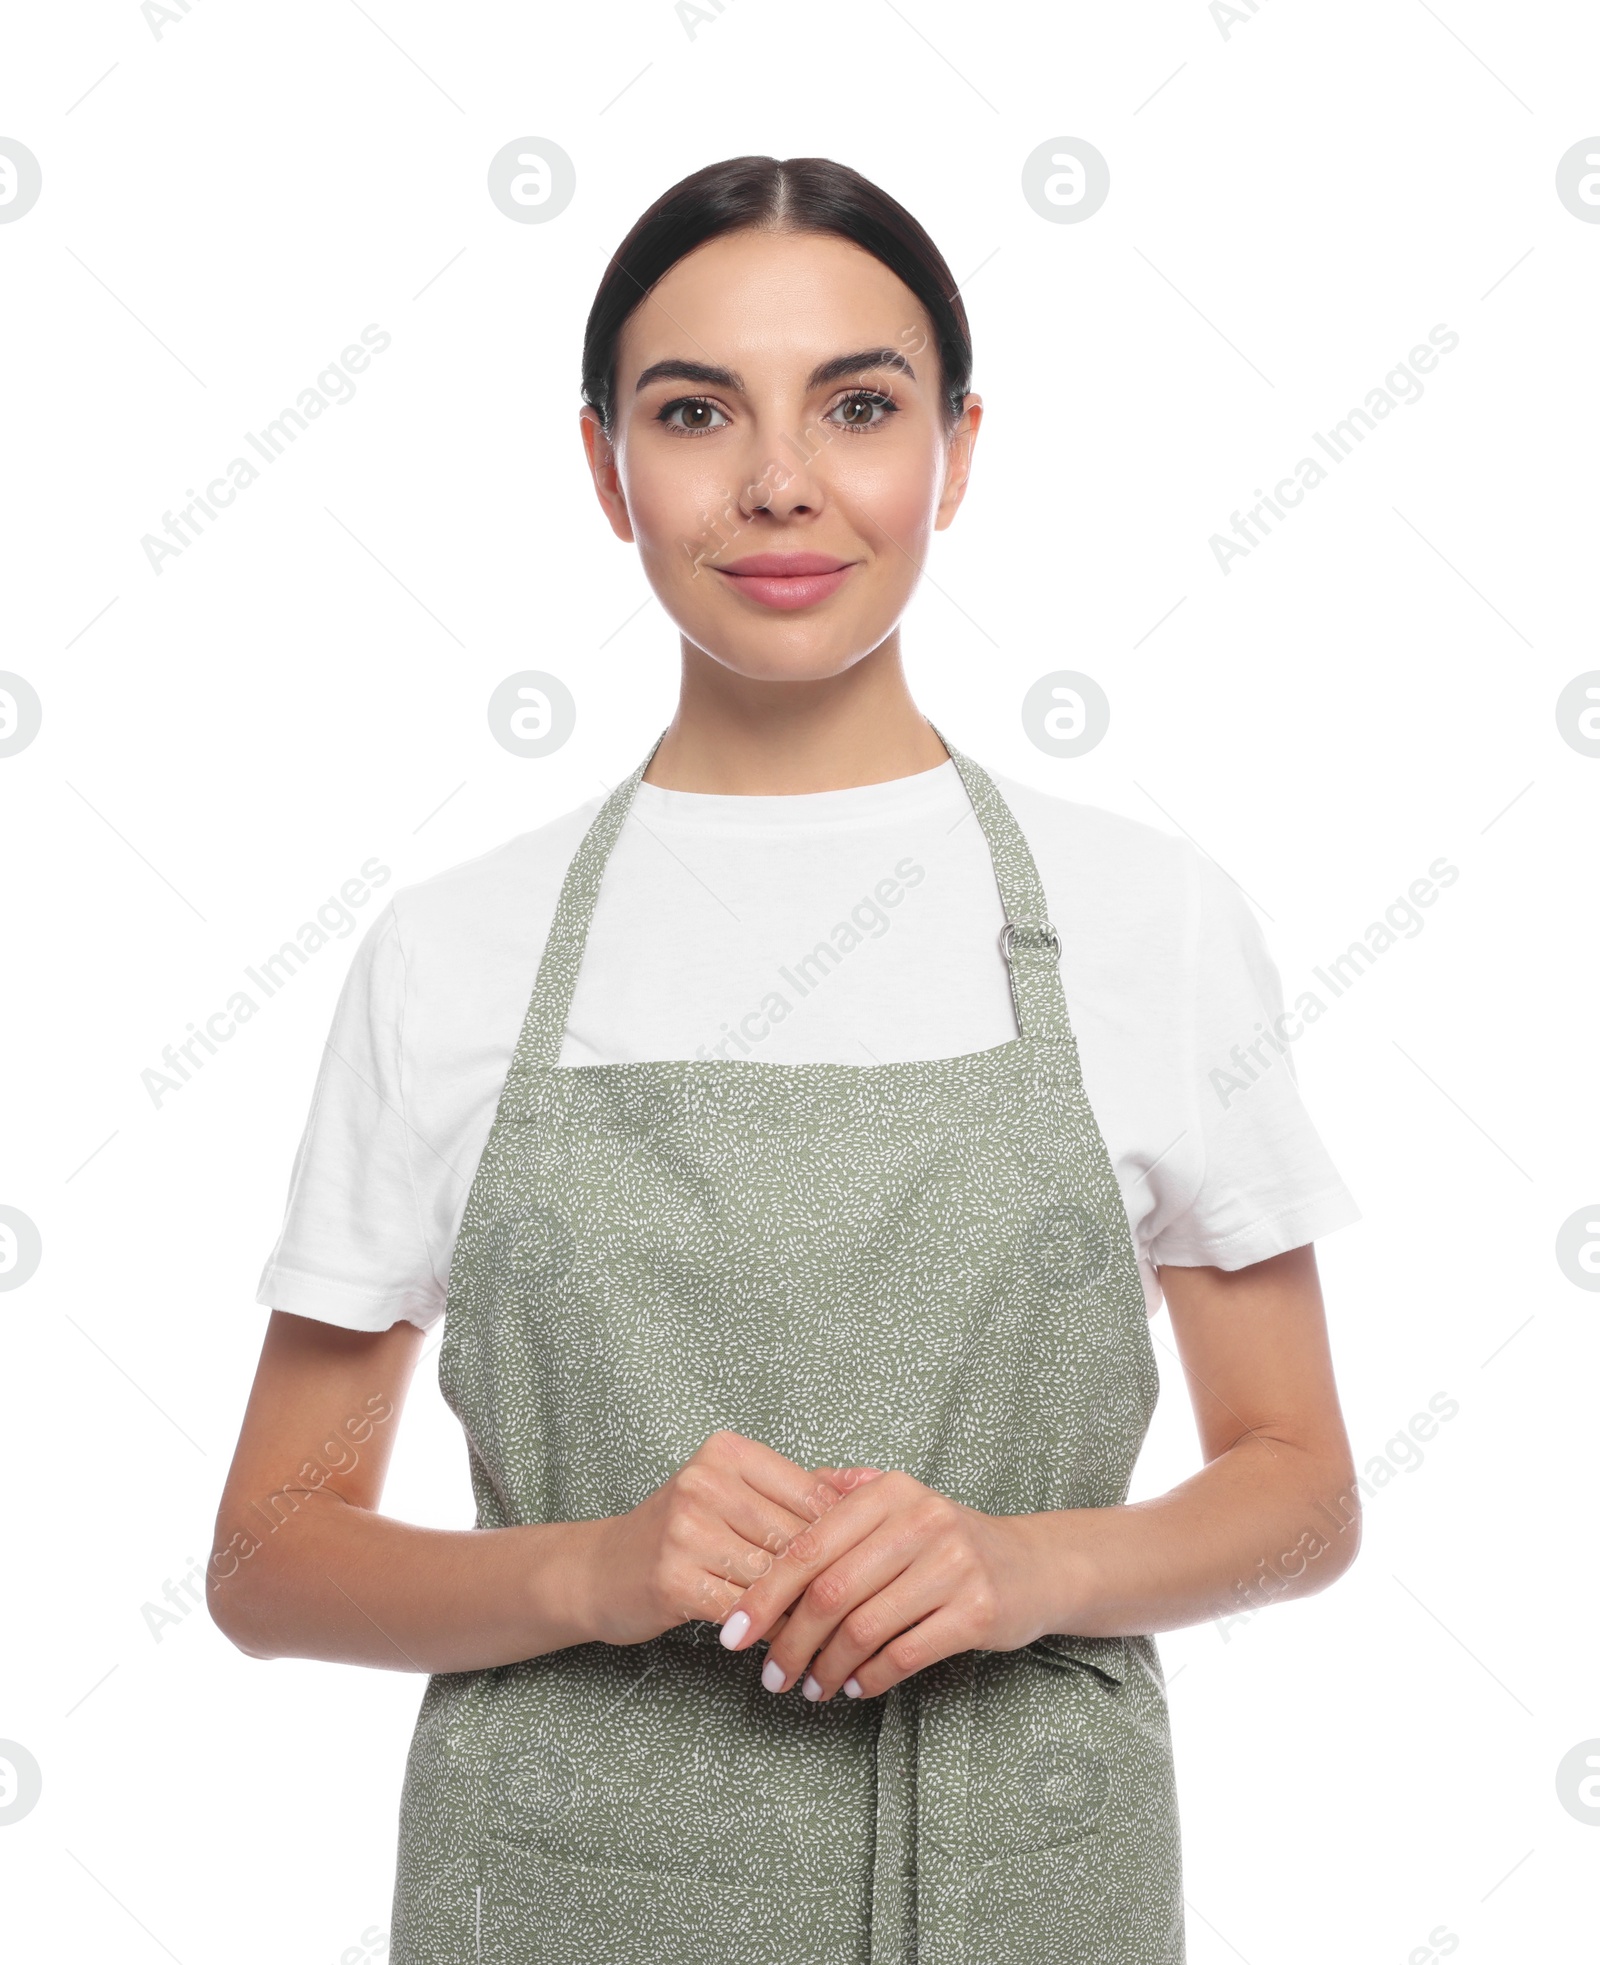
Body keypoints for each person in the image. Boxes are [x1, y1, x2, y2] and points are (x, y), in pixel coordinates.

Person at [209, 154, 1364, 1964]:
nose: (779, 483)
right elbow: (270, 1559)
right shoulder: (451, 951)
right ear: (605, 466)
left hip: (1025, 1892)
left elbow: (1301, 1491)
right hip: (557, 1896)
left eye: (858, 405)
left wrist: (1031, 1564)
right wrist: (586, 1566)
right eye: (694, 412)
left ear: (958, 452)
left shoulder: (1155, 922)